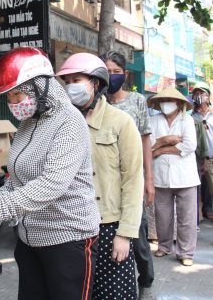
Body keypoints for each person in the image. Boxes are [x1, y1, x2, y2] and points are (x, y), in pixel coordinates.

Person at [0, 47, 100, 300]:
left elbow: (52, 184)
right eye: (9, 97)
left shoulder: (69, 121)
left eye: (17, 94)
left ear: (39, 87)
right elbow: (17, 180)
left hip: (68, 241)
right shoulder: (27, 124)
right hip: (30, 242)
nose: (13, 103)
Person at [57, 53, 144, 300]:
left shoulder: (121, 122)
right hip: (73, 229)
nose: (72, 86)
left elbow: (133, 180)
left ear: (95, 83)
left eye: (78, 79)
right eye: (68, 81)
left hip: (109, 228)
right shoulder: (63, 123)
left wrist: (125, 234)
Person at [100, 51, 155, 298]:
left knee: (139, 239)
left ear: (125, 74)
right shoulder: (97, 102)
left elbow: (145, 142)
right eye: (107, 71)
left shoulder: (136, 101)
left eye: (116, 71)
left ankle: (146, 280)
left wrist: (149, 181)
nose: (111, 76)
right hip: (105, 187)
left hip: (133, 182)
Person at [148, 88, 200, 266]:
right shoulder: (153, 120)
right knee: (162, 215)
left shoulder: (187, 120)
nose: (166, 103)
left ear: (178, 103)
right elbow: (149, 147)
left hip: (185, 176)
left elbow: (189, 146)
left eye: (170, 99)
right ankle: (163, 246)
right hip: (161, 176)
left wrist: (160, 149)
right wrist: (165, 140)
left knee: (187, 217)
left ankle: (186, 253)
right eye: (163, 100)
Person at [191, 82, 213, 220]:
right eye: (197, 93)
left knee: (210, 186)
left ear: (208, 96)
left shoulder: (212, 115)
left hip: (211, 155)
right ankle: (197, 214)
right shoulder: (190, 116)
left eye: (202, 93)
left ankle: (208, 208)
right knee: (196, 186)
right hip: (196, 157)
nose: (200, 96)